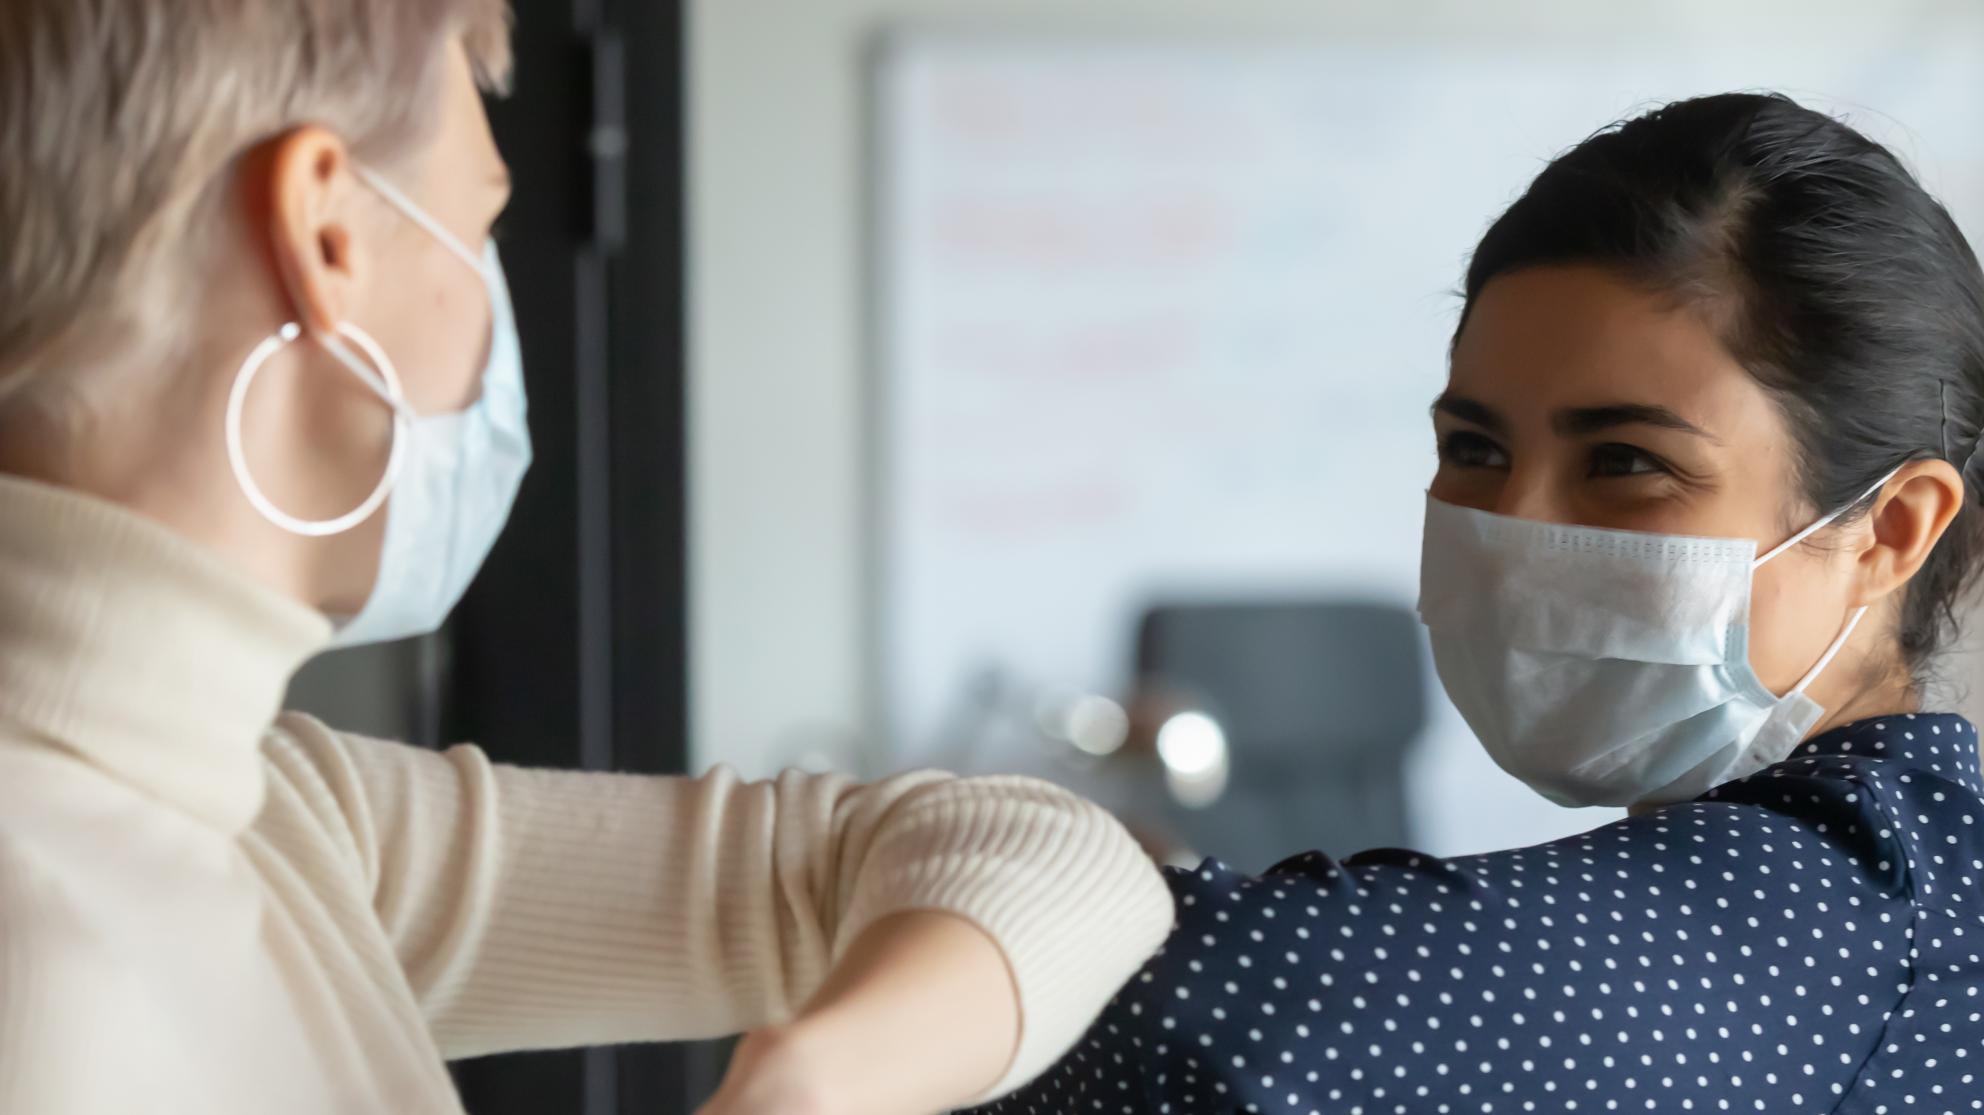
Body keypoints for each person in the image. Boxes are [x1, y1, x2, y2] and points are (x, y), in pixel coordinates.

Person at [0, 5, 1173, 1114]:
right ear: (328, 235)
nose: (488, 317)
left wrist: (809, 1080)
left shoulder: (283, 813)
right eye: (479, 226)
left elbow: (1048, 852)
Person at [973, 92, 1984, 1115]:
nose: (1511, 531)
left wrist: (883, 859)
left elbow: (1207, 1009)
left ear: (1889, 529)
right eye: (1475, 448)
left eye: (1624, 460)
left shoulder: (1859, 897)